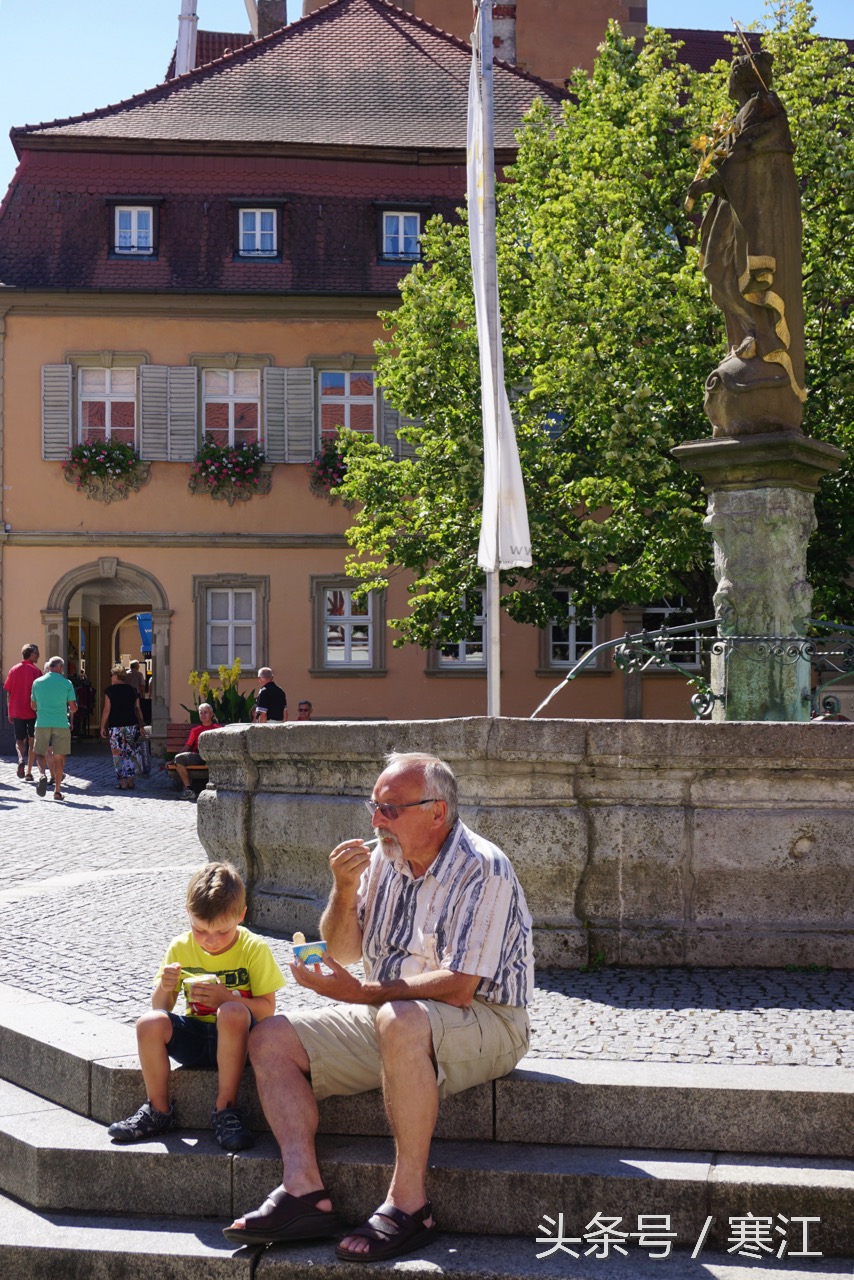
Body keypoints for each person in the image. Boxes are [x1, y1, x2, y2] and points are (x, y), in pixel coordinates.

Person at [224, 750, 533, 1261]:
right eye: (375, 806)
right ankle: (304, 1192)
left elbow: (459, 986)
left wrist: (363, 994)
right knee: (269, 1037)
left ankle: (410, 1205)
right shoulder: (381, 857)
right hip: (394, 1017)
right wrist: (343, 890)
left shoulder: (483, 866)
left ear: (437, 812)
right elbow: (343, 949)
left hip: (488, 1019)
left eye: (391, 809)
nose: (376, 820)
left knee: (398, 1018)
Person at [108, 861, 285, 1151]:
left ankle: (226, 1109)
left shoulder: (254, 949)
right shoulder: (180, 947)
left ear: (241, 916)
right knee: (148, 1023)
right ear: (188, 914)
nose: (211, 941)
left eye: (222, 932)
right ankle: (158, 1111)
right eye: (200, 930)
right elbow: (160, 1008)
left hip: (241, 1040)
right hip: (196, 1039)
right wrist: (165, 986)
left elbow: (267, 1010)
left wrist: (226, 998)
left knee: (231, 1012)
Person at [685, 50, 805, 436]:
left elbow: (749, 156)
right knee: (720, 269)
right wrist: (714, 176)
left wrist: (710, 178)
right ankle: (748, 333)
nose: (733, 82)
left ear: (746, 78)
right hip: (736, 208)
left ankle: (762, 335)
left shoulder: (766, 107)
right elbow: (736, 156)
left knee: (743, 272)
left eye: (737, 74)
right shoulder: (747, 111)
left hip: (755, 216)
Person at [30, 656, 77, 801]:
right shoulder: (67, 683)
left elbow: (33, 705)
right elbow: (73, 707)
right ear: (61, 668)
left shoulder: (37, 682)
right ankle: (57, 791)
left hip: (42, 722)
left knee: (39, 752)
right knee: (59, 757)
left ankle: (42, 774)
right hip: (61, 723)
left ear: (49, 667)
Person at [100, 665, 146, 791]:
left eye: (111, 675)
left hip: (116, 726)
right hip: (131, 725)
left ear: (115, 676)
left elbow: (106, 710)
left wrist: (102, 726)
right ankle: (131, 781)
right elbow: (138, 709)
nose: (111, 678)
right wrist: (141, 724)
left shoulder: (110, 691)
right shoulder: (132, 690)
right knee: (130, 753)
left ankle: (123, 782)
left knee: (118, 754)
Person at [4, 642, 40, 780]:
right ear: (31, 654)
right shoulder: (36, 672)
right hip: (32, 710)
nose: (38, 656)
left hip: (17, 710)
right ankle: (29, 772)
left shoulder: (13, 669)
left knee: (20, 740)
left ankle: (20, 759)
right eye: (37, 653)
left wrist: (9, 710)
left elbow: (8, 692)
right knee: (32, 740)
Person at [174, 703, 220, 801]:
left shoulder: (218, 729)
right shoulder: (195, 730)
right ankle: (189, 790)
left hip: (213, 758)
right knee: (179, 759)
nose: (203, 715)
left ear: (211, 714)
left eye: (205, 712)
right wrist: (175, 757)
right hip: (198, 756)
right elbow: (187, 746)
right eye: (201, 713)